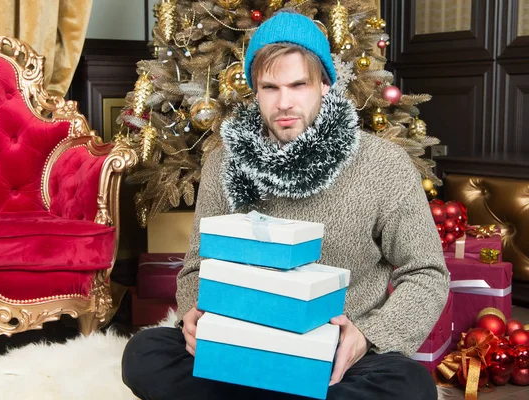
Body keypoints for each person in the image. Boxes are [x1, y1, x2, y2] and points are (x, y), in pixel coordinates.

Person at [122, 10, 449, 400]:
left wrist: (366, 336)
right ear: (254, 91)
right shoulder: (223, 162)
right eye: (270, 88)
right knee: (144, 354)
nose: (285, 103)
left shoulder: (383, 164)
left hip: (336, 355)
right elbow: (198, 266)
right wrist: (197, 314)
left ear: (325, 85)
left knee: (410, 386)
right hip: (243, 341)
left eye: (298, 85)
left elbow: (426, 271)